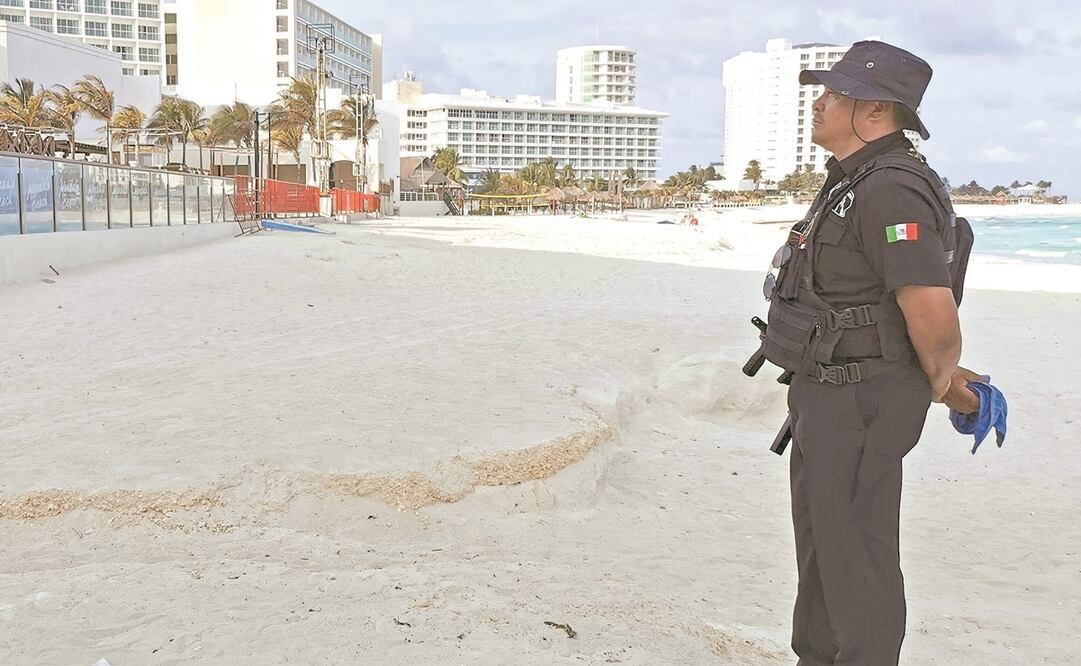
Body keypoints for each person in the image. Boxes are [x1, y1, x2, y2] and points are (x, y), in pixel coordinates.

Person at [759, 41, 982, 664]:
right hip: (829, 392)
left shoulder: (890, 188)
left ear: (877, 109)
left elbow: (931, 311)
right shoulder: (855, 180)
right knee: (824, 544)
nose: (819, 102)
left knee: (857, 551)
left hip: (861, 399)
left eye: (834, 93)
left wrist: (943, 382)